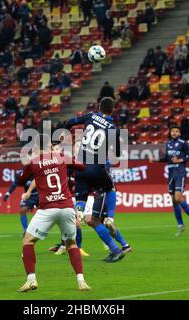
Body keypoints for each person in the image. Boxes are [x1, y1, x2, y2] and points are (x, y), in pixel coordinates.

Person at [17, 134, 90, 292]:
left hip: (47, 208)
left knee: (28, 242)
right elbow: (82, 167)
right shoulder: (62, 157)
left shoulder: (34, 162)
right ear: (51, 145)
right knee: (72, 244)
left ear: (36, 147)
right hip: (66, 206)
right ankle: (81, 281)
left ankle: (31, 279)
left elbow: (21, 180)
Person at [65, 97, 129, 262]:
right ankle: (111, 218)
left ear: (99, 107)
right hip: (97, 167)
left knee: (81, 200)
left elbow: (70, 122)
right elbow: (117, 154)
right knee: (111, 189)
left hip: (81, 167)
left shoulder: (90, 116)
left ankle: (78, 210)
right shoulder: (113, 128)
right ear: (112, 110)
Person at [159, 124, 189, 236]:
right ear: (170, 133)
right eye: (173, 131)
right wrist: (156, 159)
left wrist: (180, 160)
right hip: (171, 174)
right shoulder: (169, 144)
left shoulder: (183, 143)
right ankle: (180, 225)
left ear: (179, 133)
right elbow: (167, 158)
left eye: (176, 131)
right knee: (174, 201)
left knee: (178, 197)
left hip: (180, 173)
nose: (174, 133)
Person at [3, 168, 39, 233]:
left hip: (40, 195)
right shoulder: (20, 173)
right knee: (22, 210)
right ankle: (26, 231)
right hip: (29, 196)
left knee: (46, 212)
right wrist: (8, 193)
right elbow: (14, 184)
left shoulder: (37, 170)